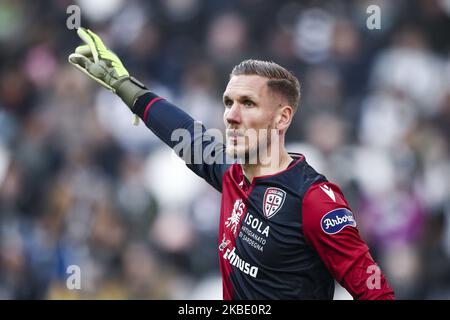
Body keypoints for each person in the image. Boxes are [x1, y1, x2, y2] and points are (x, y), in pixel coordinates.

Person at [68, 28, 395, 300]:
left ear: (282, 117)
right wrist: (126, 87)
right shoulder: (231, 174)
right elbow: (187, 136)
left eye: (248, 104)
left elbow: (374, 291)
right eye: (228, 103)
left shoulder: (315, 200)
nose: (232, 116)